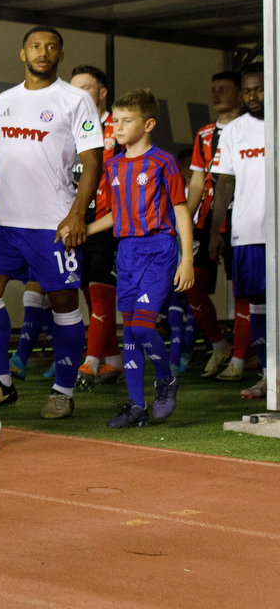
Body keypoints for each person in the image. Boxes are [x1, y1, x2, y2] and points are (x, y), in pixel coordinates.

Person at [0, 28, 103, 421]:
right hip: (5, 220)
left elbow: (93, 161)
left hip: (52, 223)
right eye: (35, 46)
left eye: (50, 47)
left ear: (61, 54)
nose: (42, 52)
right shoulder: (5, 100)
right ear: (22, 53)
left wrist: (77, 213)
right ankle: (0, 382)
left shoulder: (75, 99)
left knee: (64, 302)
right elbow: (10, 163)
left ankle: (63, 390)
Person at [84, 90, 194, 428]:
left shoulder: (163, 161)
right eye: (114, 120)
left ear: (148, 124)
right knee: (129, 331)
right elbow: (118, 214)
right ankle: (136, 406)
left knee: (143, 325)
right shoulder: (113, 164)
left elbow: (180, 211)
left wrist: (186, 258)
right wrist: (84, 230)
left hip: (159, 249)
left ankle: (166, 378)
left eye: (125, 120)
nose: (117, 127)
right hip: (127, 253)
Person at [208, 67, 269, 400]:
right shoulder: (233, 131)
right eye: (247, 91)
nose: (252, 97)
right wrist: (217, 231)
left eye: (258, 90)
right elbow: (224, 183)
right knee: (257, 305)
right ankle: (268, 377)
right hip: (246, 233)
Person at [188, 71, 245, 380]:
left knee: (243, 289)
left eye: (224, 89)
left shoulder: (254, 129)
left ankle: (239, 359)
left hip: (242, 215)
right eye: (213, 90)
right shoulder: (205, 133)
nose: (217, 95)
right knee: (191, 283)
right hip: (208, 217)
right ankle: (219, 345)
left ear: (240, 94)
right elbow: (197, 180)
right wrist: (187, 218)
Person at [70, 66, 122, 386]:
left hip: (109, 221)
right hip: (76, 221)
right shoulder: (66, 127)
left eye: (85, 89)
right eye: (73, 90)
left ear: (102, 93)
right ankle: (113, 361)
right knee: (90, 295)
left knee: (99, 292)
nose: (78, 96)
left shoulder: (118, 128)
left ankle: (89, 364)